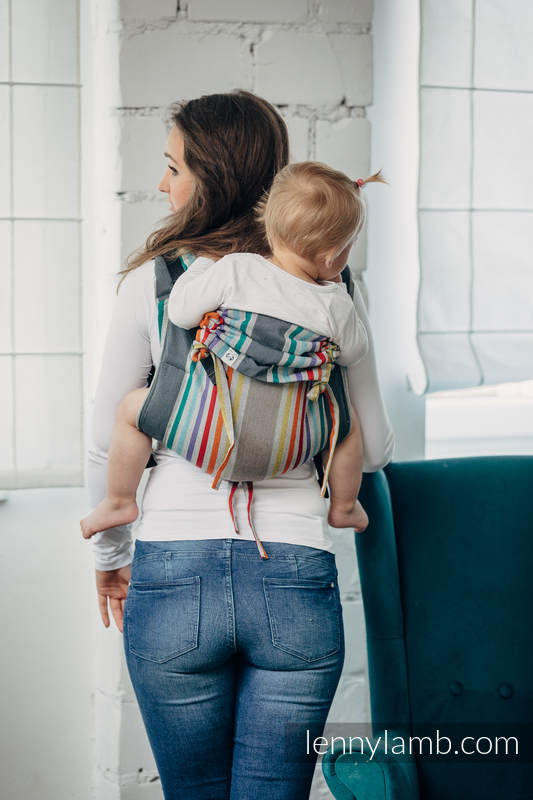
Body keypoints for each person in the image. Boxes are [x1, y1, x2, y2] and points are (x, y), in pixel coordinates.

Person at [86, 89, 395, 800]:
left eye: (173, 168)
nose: (161, 184)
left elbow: (107, 441)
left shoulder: (163, 281)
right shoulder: (335, 287)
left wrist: (110, 557)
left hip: (172, 572)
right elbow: (373, 447)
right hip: (295, 572)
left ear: (213, 177)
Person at [80, 160, 387, 547]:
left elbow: (180, 311)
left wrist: (202, 266)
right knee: (349, 425)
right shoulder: (334, 302)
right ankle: (344, 505)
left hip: (205, 437)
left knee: (129, 410)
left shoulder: (234, 269)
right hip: (290, 447)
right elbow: (354, 352)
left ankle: (120, 501)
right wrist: (340, 297)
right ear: (331, 255)